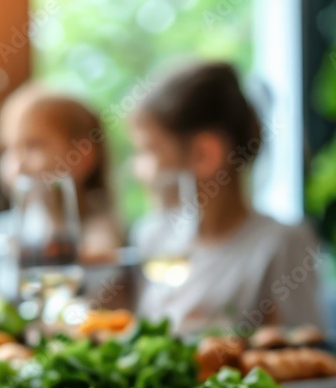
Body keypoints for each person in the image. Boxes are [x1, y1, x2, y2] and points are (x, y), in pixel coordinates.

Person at [130, 61, 325, 337]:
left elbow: (306, 354)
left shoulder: (281, 243)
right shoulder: (154, 235)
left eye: (148, 151)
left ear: (204, 154)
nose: (138, 170)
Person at [0, 84, 124, 300]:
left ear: (82, 155)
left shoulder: (104, 233)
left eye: (33, 146)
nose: (16, 166)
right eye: (5, 149)